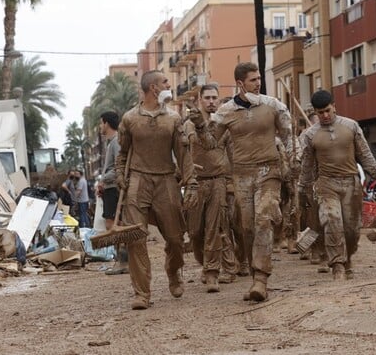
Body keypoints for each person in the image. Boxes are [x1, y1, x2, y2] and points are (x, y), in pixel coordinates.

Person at [189, 62, 294, 302]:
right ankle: (253, 265)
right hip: (242, 176)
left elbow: (288, 137)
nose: (258, 83)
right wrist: (198, 125)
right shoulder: (225, 112)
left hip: (269, 170)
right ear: (240, 84)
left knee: (263, 219)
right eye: (253, 80)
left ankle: (261, 279)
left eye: (259, 79)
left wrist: (290, 164)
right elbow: (209, 143)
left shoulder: (274, 106)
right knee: (246, 227)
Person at [116, 70, 198, 310]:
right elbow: (122, 154)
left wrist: (191, 182)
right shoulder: (130, 119)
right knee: (136, 238)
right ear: (153, 88)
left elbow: (184, 156)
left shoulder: (173, 119)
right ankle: (142, 293)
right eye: (164, 82)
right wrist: (121, 176)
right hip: (138, 182)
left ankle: (173, 271)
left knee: (174, 239)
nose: (168, 84)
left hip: (166, 181)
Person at [299, 89, 376, 281]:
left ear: (334, 106)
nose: (325, 116)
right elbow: (307, 166)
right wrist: (302, 189)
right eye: (320, 112)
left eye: (327, 110)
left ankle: (348, 258)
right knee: (332, 221)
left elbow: (365, 156)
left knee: (351, 229)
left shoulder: (351, 127)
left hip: (351, 183)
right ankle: (337, 265)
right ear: (315, 113)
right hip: (326, 184)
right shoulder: (310, 136)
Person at [184, 84, 238, 292]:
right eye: (207, 97)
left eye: (214, 97)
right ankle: (205, 263)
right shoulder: (188, 125)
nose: (212, 101)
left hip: (218, 181)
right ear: (200, 100)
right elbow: (183, 152)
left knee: (215, 228)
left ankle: (212, 272)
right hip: (195, 183)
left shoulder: (223, 125)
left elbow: (232, 156)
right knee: (195, 231)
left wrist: (232, 183)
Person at [97, 111, 128, 276]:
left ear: (106, 123)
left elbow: (119, 168)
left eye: (101, 123)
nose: (100, 127)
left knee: (113, 224)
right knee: (114, 224)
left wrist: (103, 181)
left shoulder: (116, 143)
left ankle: (123, 260)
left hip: (113, 188)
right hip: (110, 188)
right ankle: (122, 259)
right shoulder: (112, 143)